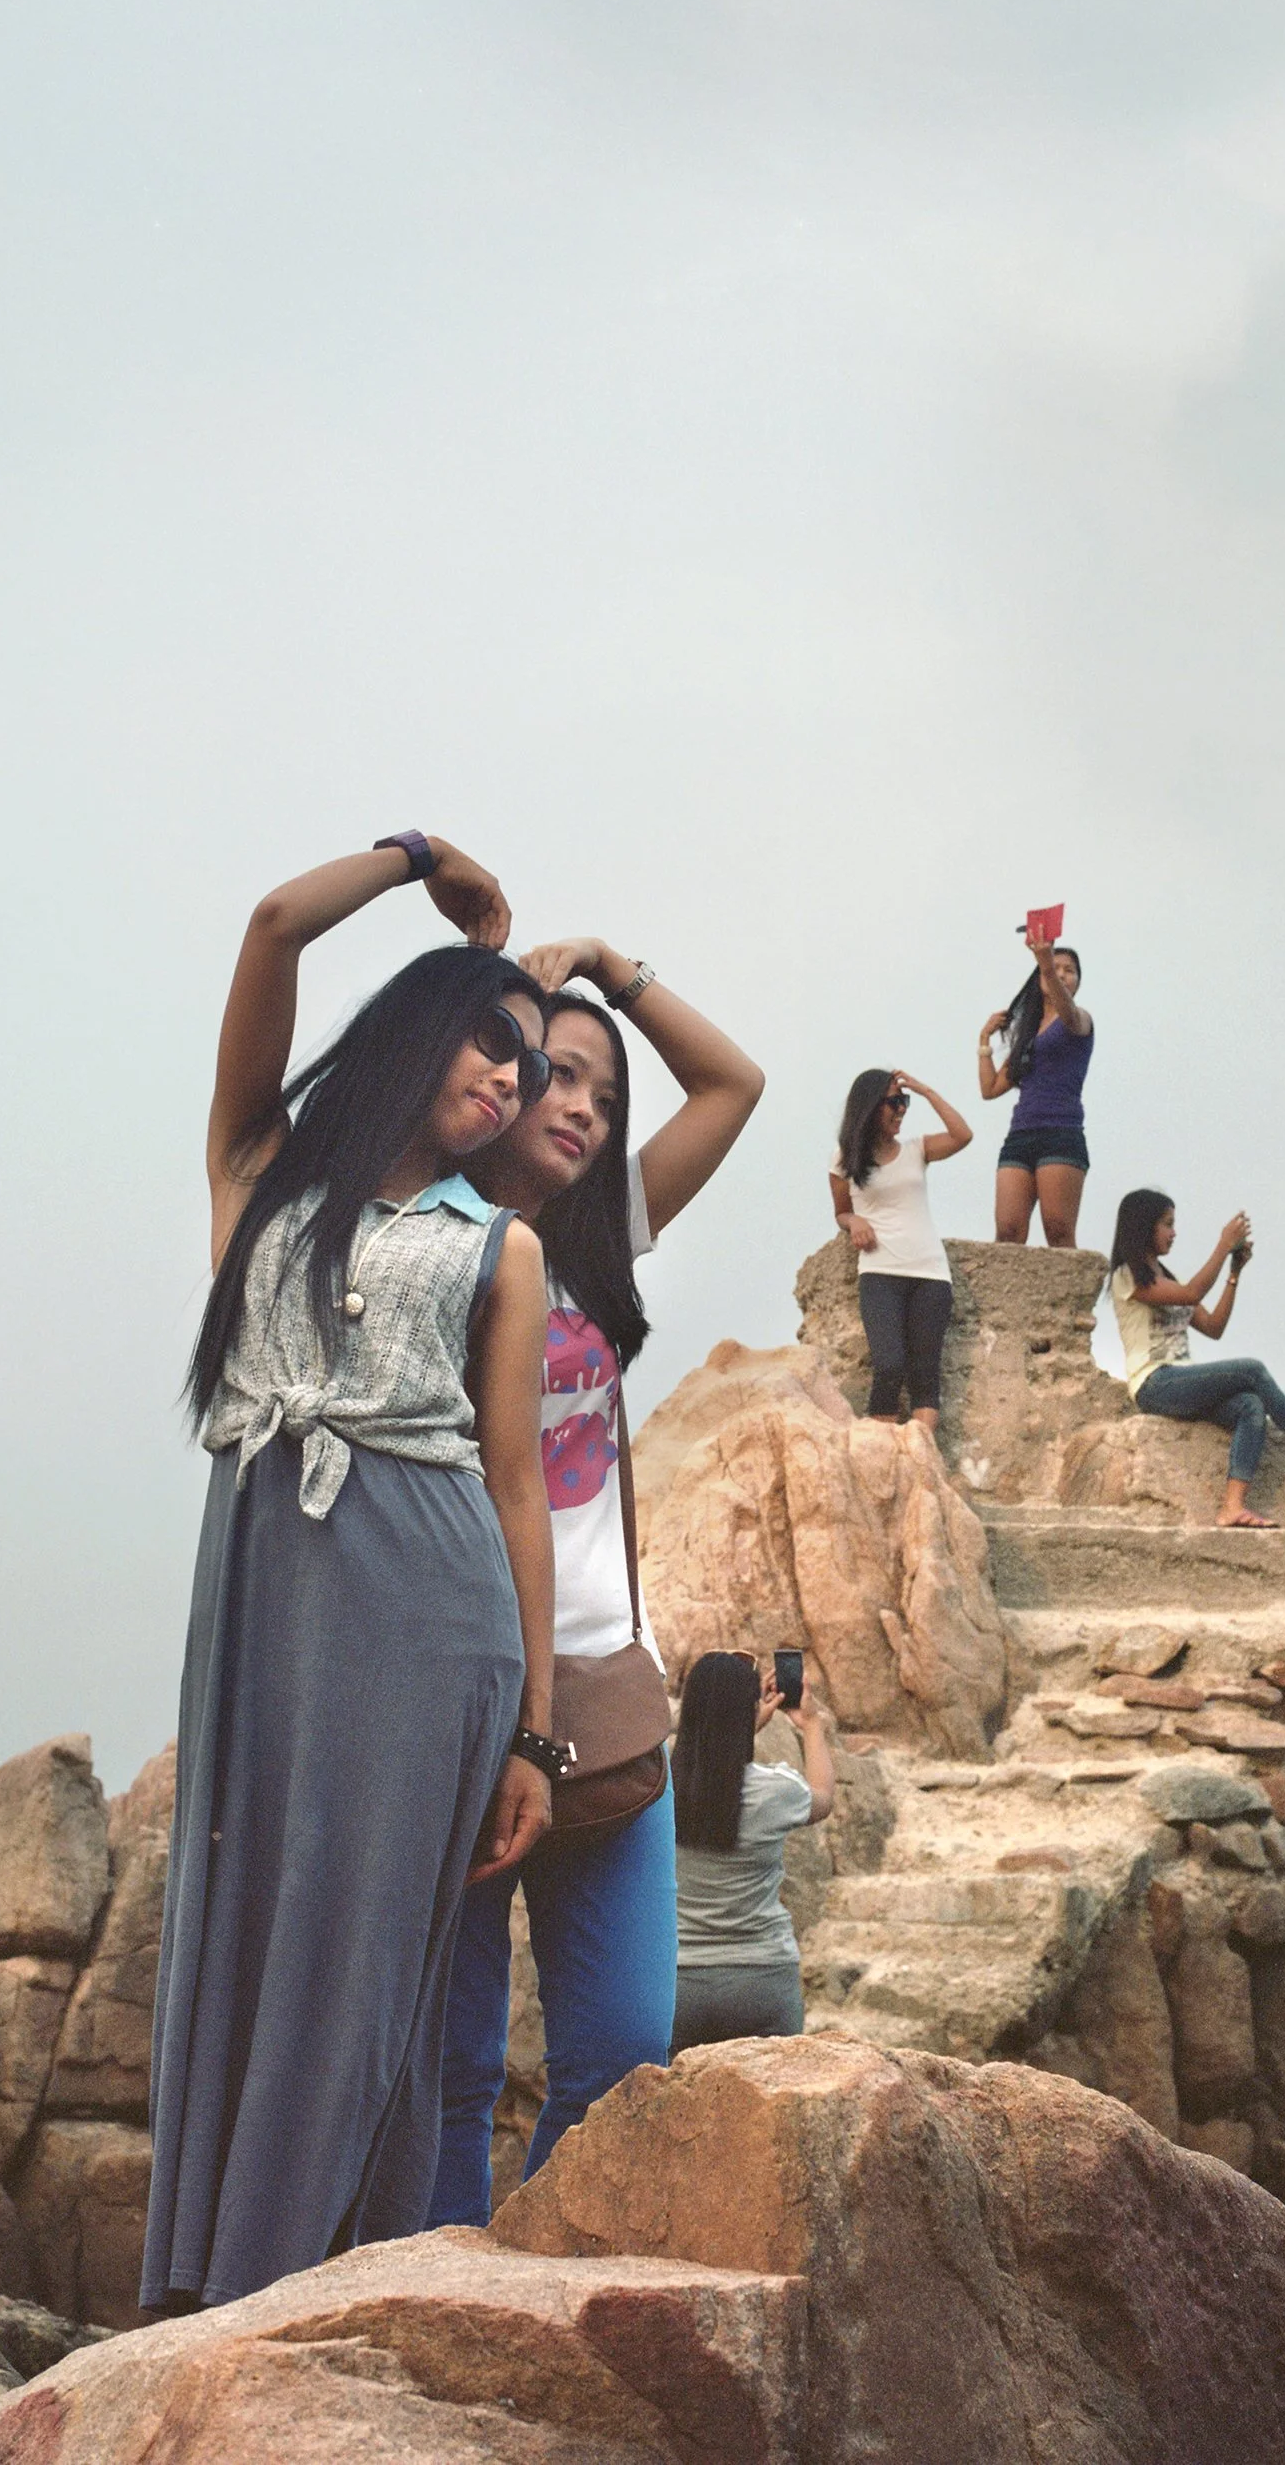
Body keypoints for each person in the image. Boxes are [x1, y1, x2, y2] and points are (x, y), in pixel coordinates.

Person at [144, 833, 564, 2313]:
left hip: (430, 1610)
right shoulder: (256, 1168)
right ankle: (217, 2294)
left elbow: (518, 1489)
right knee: (244, 1910)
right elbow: (268, 926)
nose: (514, 1079)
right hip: (260, 1579)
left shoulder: (499, 1249)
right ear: (411, 1031)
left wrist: (533, 1736)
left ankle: (305, 2299)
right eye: (492, 1044)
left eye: (534, 1064)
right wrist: (407, 861)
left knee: (361, 1954)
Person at [428, 937, 764, 2226]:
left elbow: (732, 1085)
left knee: (624, 2056)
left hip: (607, 1705)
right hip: (468, 1699)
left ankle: (536, 2273)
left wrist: (618, 978)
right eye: (558, 1076)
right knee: (452, 2069)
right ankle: (435, 2295)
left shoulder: (595, 1240)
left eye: (603, 1096)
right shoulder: (427, 1248)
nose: (580, 1107)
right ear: (493, 1081)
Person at [1105, 1188, 1285, 1529]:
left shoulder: (1166, 1279)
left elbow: (1212, 1326)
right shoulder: (1126, 1276)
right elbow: (1193, 1293)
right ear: (1144, 1226)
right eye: (1167, 1224)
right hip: (1155, 1382)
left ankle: (1232, 1507)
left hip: (1180, 1381)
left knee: (1251, 1405)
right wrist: (1223, 1245)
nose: (1173, 1233)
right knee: (1252, 1369)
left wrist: (1234, 1272)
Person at [670, 1651, 835, 2052]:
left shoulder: (661, 1790)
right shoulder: (777, 1792)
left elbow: (704, 1760)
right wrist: (810, 1723)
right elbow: (824, 1797)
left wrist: (737, 1728)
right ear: (750, 1713)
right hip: (762, 1981)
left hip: (679, 1986)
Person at [829, 1066, 973, 1430]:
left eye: (904, 1101)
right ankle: (882, 1455)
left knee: (925, 1374)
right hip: (880, 1272)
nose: (902, 1109)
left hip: (930, 1273)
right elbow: (842, 1213)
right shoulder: (844, 1158)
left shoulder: (917, 1150)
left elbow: (962, 1135)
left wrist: (925, 1091)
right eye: (894, 1101)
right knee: (889, 1365)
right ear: (870, 1105)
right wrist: (854, 1222)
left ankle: (921, 1465)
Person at [978, 931, 1091, 1247]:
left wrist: (1044, 961)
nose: (1062, 974)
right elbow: (990, 1089)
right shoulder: (1028, 1034)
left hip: (1061, 1132)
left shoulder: (1078, 1020)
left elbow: (1067, 1011)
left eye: (1069, 970)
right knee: (1008, 1232)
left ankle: (1069, 1295)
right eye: (1057, 968)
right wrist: (984, 1040)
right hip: (1021, 1135)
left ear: (1078, 982)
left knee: (1058, 1229)